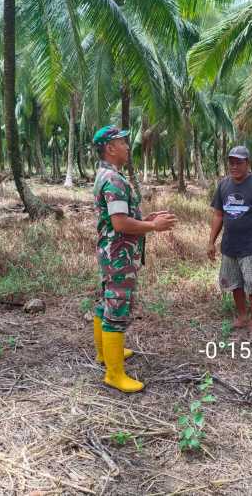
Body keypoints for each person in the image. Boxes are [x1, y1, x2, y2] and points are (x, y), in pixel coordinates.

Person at [92, 125, 177, 393]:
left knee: (107, 300)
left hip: (110, 252)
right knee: (116, 308)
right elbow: (119, 223)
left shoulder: (105, 174)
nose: (128, 146)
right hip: (119, 254)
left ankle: (105, 354)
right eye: (123, 142)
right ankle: (114, 374)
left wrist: (144, 220)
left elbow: (117, 217)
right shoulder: (114, 180)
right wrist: (153, 227)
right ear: (110, 148)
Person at [208, 146, 252, 339]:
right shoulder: (223, 185)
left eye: (239, 162)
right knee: (234, 284)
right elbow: (218, 215)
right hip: (230, 246)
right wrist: (211, 241)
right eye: (231, 162)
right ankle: (242, 316)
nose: (234, 166)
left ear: (248, 163)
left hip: (251, 247)